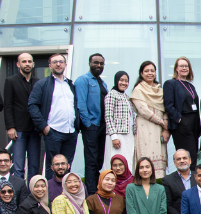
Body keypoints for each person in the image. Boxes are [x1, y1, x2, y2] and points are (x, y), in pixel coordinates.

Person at [28, 53, 78, 178]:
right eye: (55, 62)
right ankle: (52, 197)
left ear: (65, 65)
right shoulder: (42, 84)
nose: (58, 64)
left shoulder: (70, 85)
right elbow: (32, 105)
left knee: (67, 167)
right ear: (50, 66)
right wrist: (43, 126)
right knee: (53, 167)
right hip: (53, 131)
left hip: (71, 132)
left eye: (61, 61)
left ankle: (65, 196)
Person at [74, 53, 108, 195]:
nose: (98, 65)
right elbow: (81, 103)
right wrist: (87, 124)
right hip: (91, 126)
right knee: (91, 160)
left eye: (101, 63)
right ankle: (91, 193)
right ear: (89, 63)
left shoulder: (103, 83)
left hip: (102, 126)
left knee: (99, 159)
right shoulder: (83, 80)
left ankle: (97, 188)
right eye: (96, 62)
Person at [5, 53, 41, 178]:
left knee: (34, 166)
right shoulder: (10, 81)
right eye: (24, 61)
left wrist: (41, 126)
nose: (27, 64)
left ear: (33, 64)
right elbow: (8, 105)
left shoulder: (38, 82)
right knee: (18, 167)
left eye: (29, 61)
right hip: (18, 129)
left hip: (35, 129)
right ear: (18, 64)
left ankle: (33, 195)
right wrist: (10, 126)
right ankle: (19, 196)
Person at [132, 61, 170, 175]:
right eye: (146, 71)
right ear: (141, 74)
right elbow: (144, 111)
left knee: (160, 156)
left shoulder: (160, 90)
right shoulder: (138, 90)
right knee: (146, 157)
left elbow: (165, 109)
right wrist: (162, 122)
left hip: (159, 130)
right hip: (145, 127)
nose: (150, 73)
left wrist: (166, 129)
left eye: (152, 71)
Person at [163, 57, 201, 165]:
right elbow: (168, 105)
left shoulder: (191, 86)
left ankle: (193, 180)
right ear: (176, 68)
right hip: (182, 123)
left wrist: (198, 126)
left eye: (186, 66)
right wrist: (179, 119)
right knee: (186, 156)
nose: (184, 68)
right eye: (181, 66)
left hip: (193, 123)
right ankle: (186, 179)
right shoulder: (171, 84)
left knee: (193, 155)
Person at [103, 71, 135, 165]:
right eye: (121, 80)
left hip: (128, 134)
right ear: (116, 80)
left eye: (126, 81)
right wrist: (114, 136)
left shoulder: (126, 96)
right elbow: (108, 116)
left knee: (127, 161)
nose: (124, 83)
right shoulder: (111, 95)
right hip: (117, 135)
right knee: (116, 161)